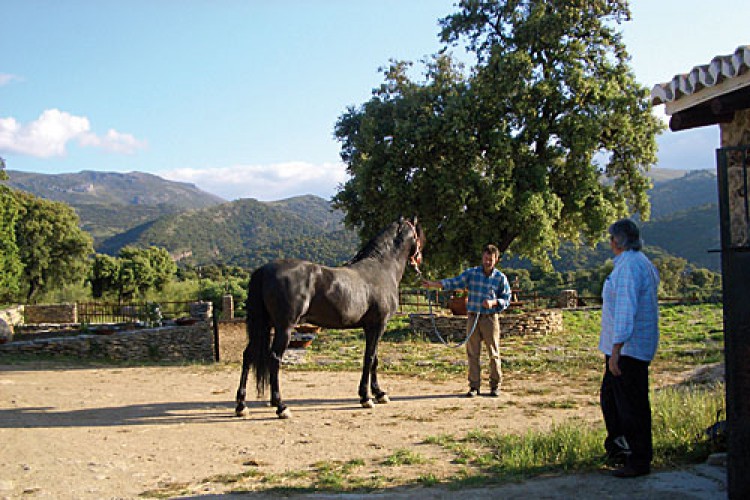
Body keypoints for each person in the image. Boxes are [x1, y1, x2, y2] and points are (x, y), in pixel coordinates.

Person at [599, 218, 660, 478]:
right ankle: (620, 448)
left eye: (611, 238)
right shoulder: (640, 263)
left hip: (628, 350)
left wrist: (616, 351)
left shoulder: (628, 268)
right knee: (612, 399)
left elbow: (626, 311)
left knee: (630, 406)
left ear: (617, 241)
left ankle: (637, 459)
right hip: (631, 348)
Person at [422, 244, 511, 398]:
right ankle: (474, 386)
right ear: (482, 258)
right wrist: (433, 285)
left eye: (491, 259)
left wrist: (494, 303)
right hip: (472, 317)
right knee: (472, 353)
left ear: (496, 260)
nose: (487, 261)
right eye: (485, 258)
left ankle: (495, 386)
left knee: (493, 353)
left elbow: (507, 298)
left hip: (490, 318)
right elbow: (454, 282)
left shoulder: (500, 278)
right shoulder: (472, 273)